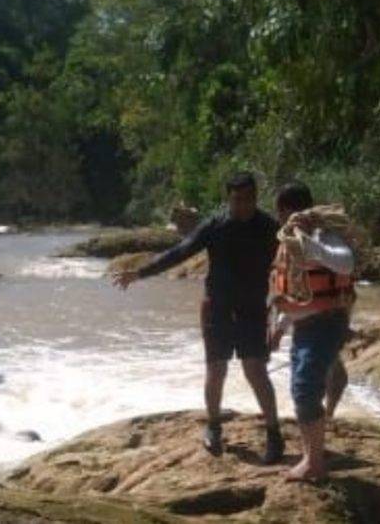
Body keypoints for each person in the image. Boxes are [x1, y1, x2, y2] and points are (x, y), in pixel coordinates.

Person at [112, 172, 284, 464]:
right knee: (216, 370)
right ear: (228, 199)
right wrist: (140, 272)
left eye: (249, 199)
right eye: (238, 200)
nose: (244, 205)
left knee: (255, 370)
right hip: (217, 306)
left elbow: (293, 258)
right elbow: (180, 252)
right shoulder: (216, 226)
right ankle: (214, 425)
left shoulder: (270, 228)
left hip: (252, 309)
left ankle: (274, 433)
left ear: (256, 197)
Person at [269, 182, 356, 482]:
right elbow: (297, 289)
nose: (281, 218)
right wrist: (280, 327)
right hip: (304, 326)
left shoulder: (322, 234)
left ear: (289, 210)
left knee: (306, 391)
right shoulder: (289, 241)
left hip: (324, 324)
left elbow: (345, 264)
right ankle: (311, 457)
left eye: (281, 211)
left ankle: (314, 463)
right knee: (300, 390)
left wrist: (310, 244)